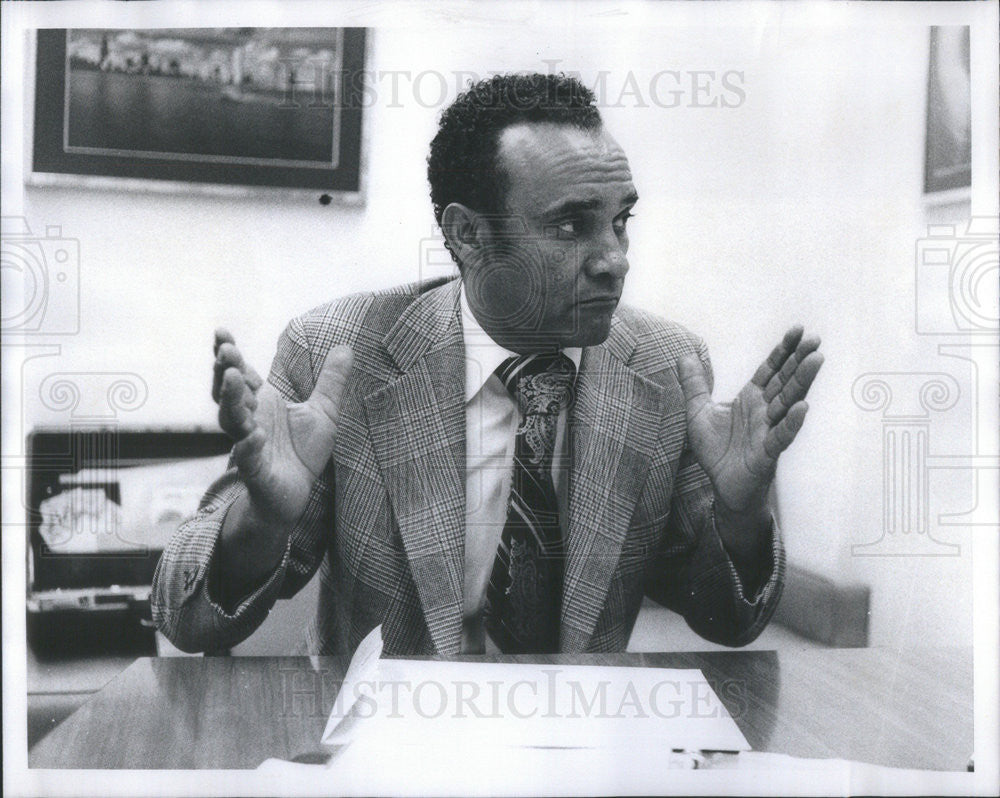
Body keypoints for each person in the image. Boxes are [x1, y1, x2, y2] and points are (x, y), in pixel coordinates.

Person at [152, 73, 823, 656]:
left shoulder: (665, 367)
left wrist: (741, 516)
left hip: (582, 747)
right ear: (468, 234)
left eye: (621, 221)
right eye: (570, 226)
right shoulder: (340, 355)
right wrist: (265, 522)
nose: (613, 258)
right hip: (392, 752)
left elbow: (730, 623)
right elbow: (184, 618)